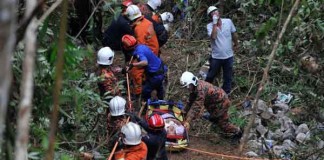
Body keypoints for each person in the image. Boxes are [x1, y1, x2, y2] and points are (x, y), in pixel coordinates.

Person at [179, 71, 242, 141]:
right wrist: (183, 113)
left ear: (191, 83)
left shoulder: (200, 90)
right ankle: (214, 118)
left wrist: (188, 121)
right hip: (213, 102)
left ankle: (237, 131)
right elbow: (190, 102)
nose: (187, 89)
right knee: (214, 116)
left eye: (188, 87)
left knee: (223, 125)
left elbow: (196, 107)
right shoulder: (195, 87)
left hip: (221, 103)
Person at [205, 6, 239, 94]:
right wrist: (215, 24)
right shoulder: (209, 26)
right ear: (210, 17)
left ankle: (225, 95)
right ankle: (205, 91)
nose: (215, 14)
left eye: (216, 11)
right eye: (212, 13)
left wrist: (236, 44)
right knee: (211, 75)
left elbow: (234, 33)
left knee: (228, 77)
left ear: (219, 12)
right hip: (216, 57)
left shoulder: (228, 21)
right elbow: (213, 37)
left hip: (229, 56)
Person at [122, 34, 166, 102]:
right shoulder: (141, 46)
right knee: (159, 88)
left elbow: (145, 62)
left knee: (146, 91)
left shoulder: (139, 52)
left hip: (156, 75)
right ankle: (161, 100)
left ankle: (146, 106)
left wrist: (133, 65)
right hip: (160, 68)